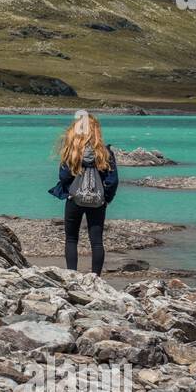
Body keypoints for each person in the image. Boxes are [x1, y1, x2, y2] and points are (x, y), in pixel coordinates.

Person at [49, 112, 119, 276]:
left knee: (72, 239)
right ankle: (95, 277)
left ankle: (72, 276)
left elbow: (64, 176)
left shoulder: (72, 152)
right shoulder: (105, 153)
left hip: (75, 199)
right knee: (96, 241)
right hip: (97, 200)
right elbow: (113, 180)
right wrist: (107, 198)